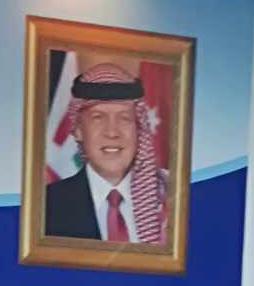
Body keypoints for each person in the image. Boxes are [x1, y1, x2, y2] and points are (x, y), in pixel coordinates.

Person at [43, 63, 168, 245]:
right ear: (78, 130)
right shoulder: (46, 207)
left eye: (124, 118)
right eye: (98, 117)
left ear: (139, 128)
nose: (112, 132)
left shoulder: (170, 201)